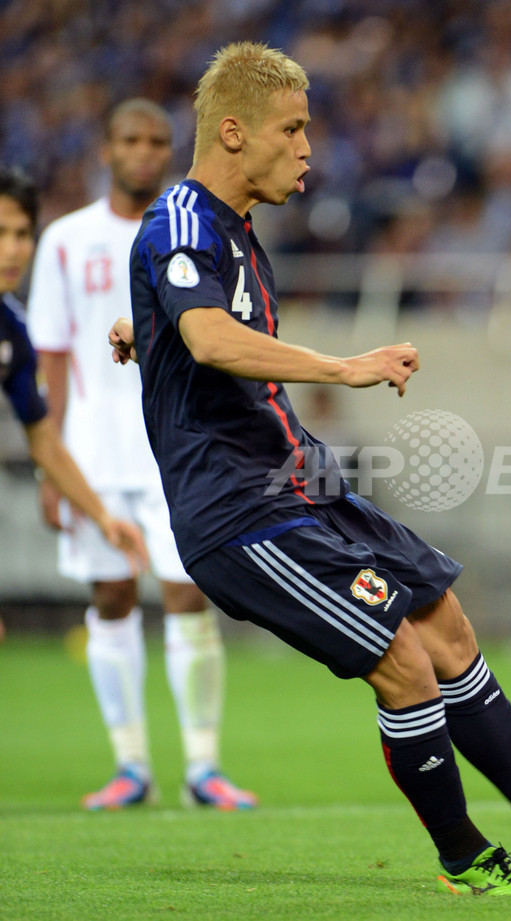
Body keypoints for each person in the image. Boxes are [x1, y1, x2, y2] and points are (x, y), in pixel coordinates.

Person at [108, 42, 511, 894]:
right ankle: (466, 857)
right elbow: (209, 336)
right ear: (236, 132)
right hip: (241, 512)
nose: (308, 149)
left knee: (444, 625)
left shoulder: (231, 231)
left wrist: (142, 327)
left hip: (302, 485)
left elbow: (191, 321)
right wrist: (343, 365)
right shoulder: (180, 217)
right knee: (400, 655)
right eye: (293, 130)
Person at [26, 100, 257, 812]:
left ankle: (202, 765)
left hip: (177, 448)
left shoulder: (183, 232)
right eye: (131, 139)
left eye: (157, 141)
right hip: (94, 453)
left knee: (188, 593)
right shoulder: (67, 239)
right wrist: (51, 460)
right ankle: (131, 764)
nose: (145, 152)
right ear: (107, 149)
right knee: (111, 596)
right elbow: (53, 355)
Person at [0, 168, 147, 642]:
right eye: (0, 233)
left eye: (23, 234)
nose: (14, 248)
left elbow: (44, 441)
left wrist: (103, 518)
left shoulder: (13, 333)